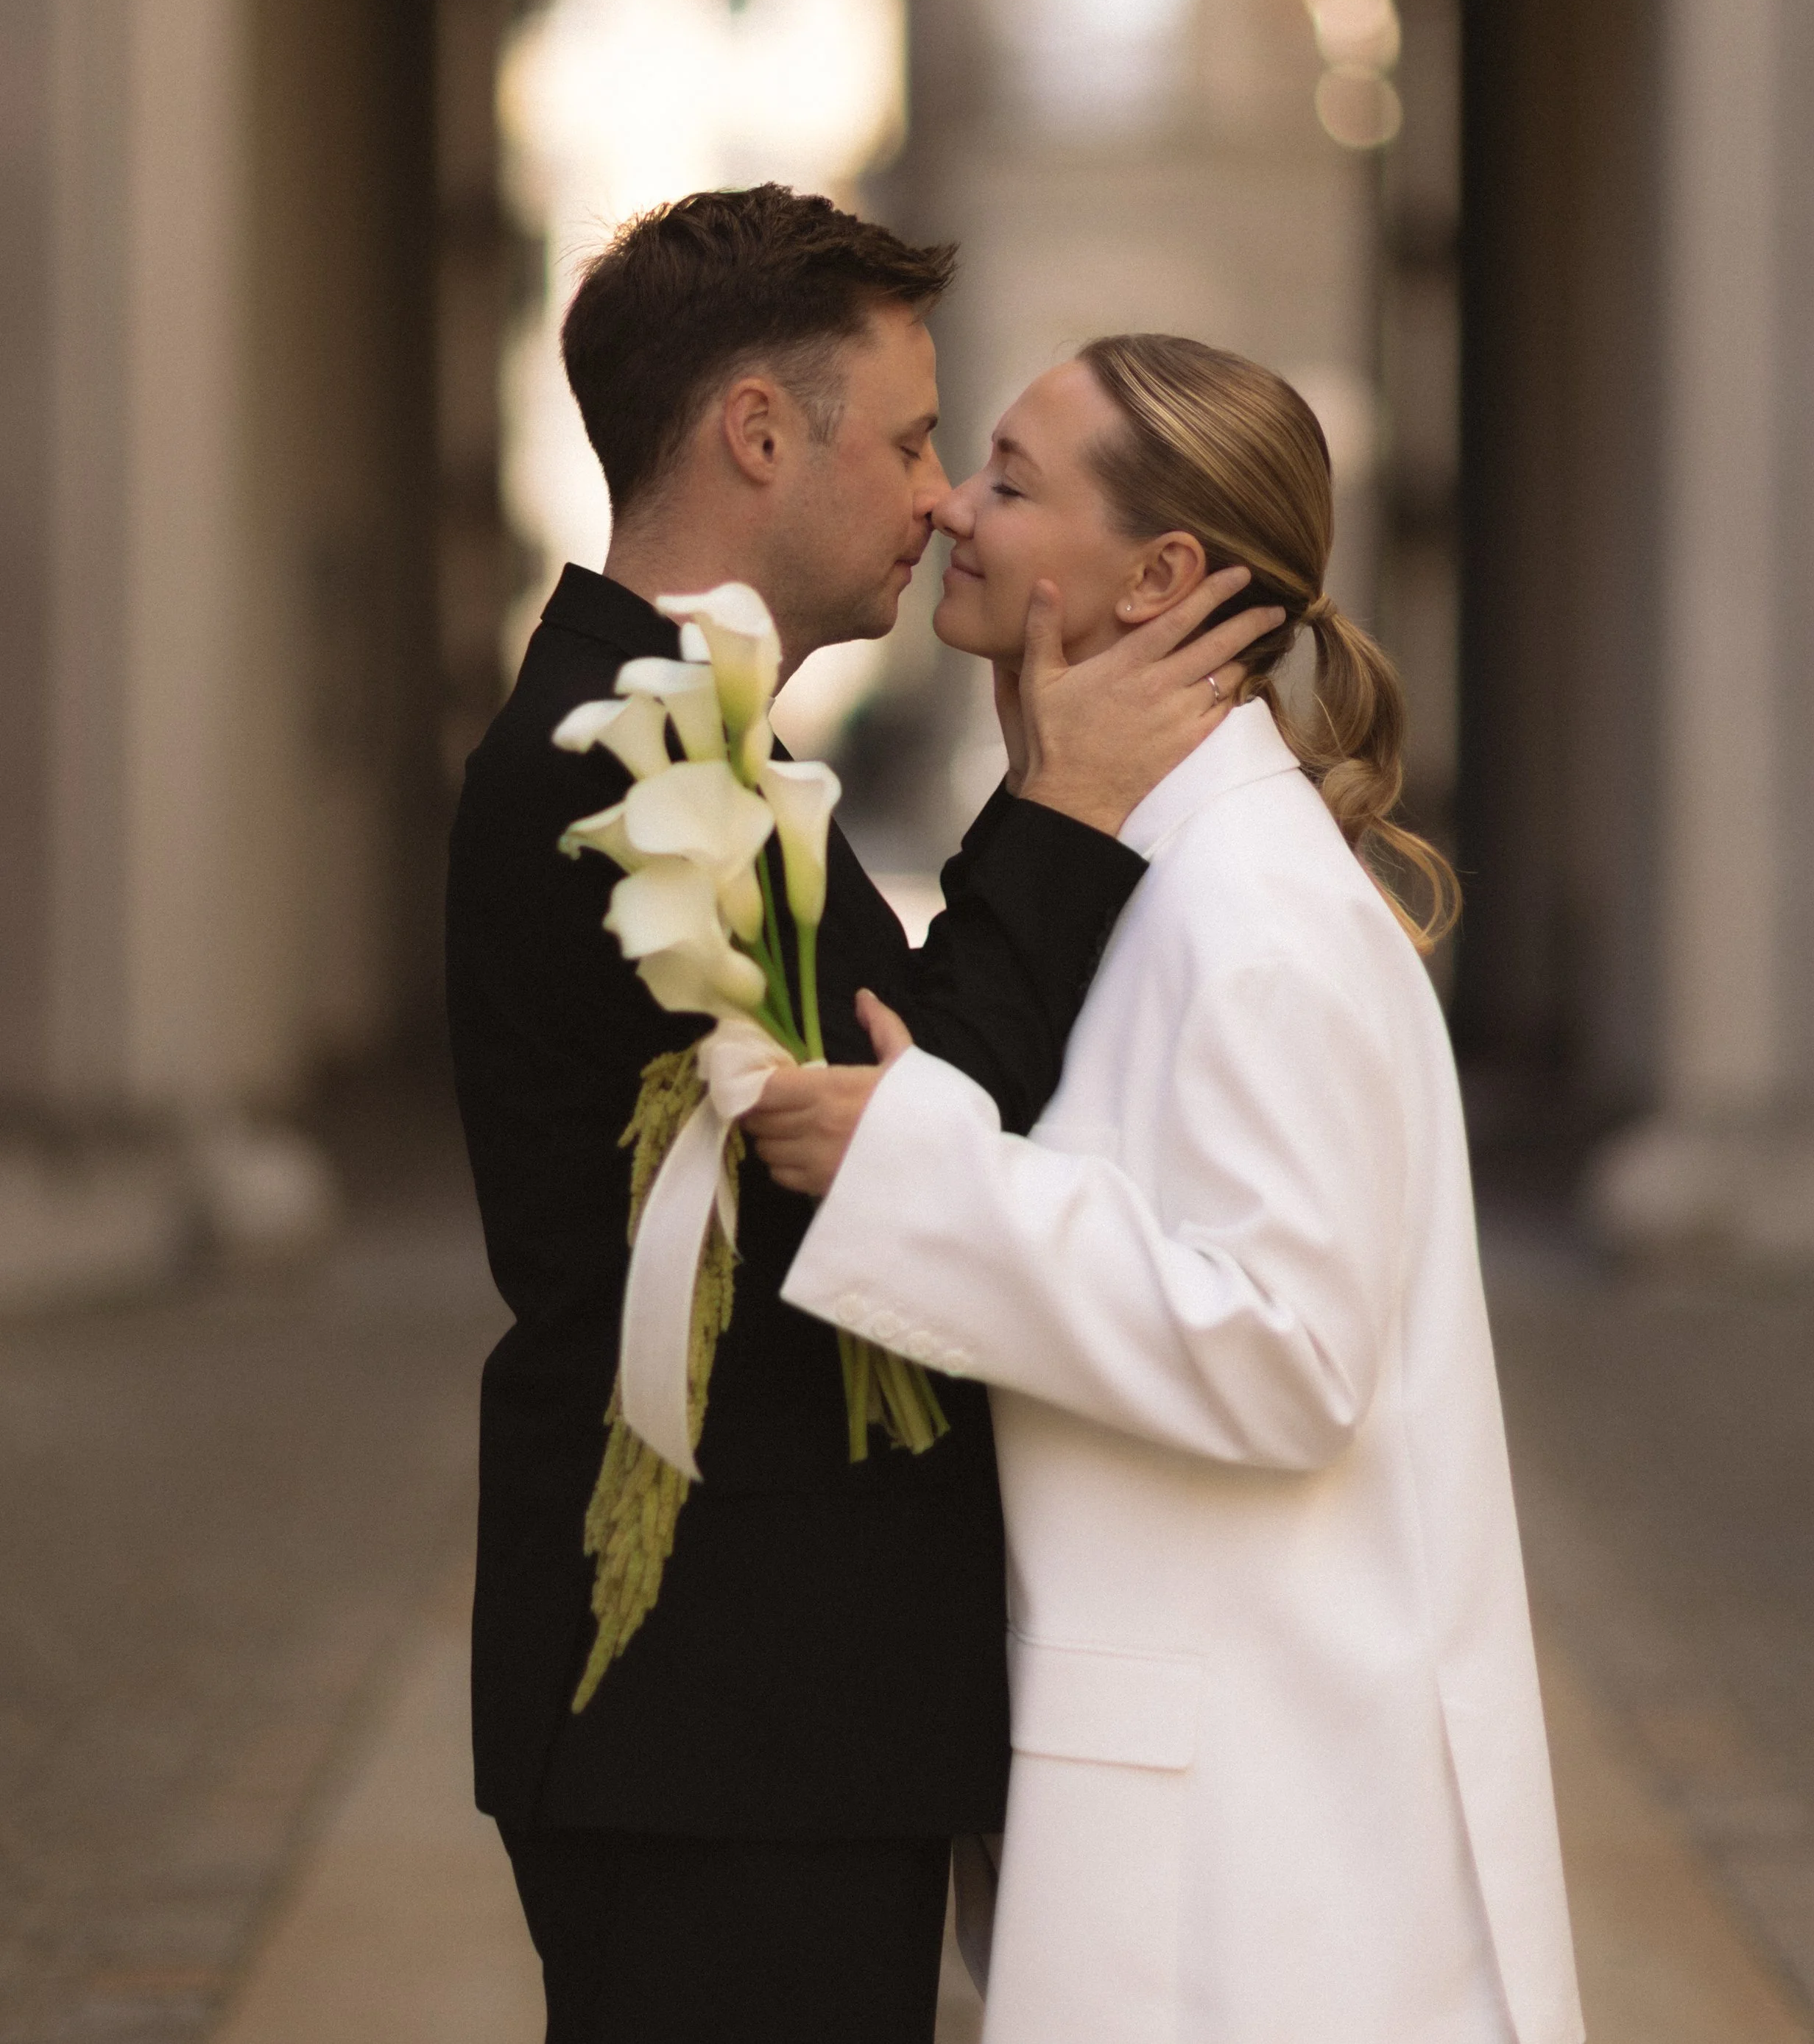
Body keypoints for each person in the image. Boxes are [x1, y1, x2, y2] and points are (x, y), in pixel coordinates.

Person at [445, 200, 1280, 2044]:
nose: (936, 502)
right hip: (718, 1718)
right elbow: (908, 1139)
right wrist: (1061, 807)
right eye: (910, 442)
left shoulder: (682, 732)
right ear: (757, 433)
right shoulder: (625, 762)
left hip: (766, 1721)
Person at [748, 336, 1584, 2044]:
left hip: (1276, 1860)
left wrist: (919, 1179)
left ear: (1162, 577)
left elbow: (1287, 1349)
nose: (952, 511)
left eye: (1004, 476)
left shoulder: (1252, 914)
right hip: (1212, 1809)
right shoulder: (1161, 871)